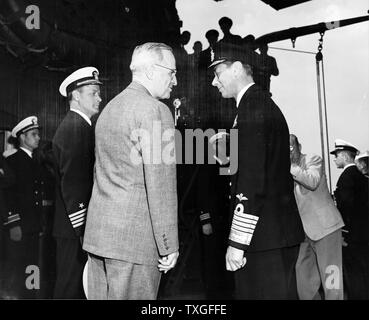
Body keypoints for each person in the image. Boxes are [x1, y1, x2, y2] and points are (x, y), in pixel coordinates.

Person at [83, 42, 179, 300]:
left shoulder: (109, 108)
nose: (175, 80)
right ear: (151, 71)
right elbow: (161, 185)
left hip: (100, 238)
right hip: (135, 244)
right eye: (171, 72)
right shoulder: (156, 111)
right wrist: (168, 243)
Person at [209, 42, 304, 299]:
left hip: (261, 239)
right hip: (274, 234)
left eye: (218, 73)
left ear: (238, 68)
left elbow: (252, 182)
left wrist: (237, 243)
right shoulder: (258, 105)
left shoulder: (251, 110)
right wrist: (226, 156)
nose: (214, 82)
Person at [52, 66, 103, 299]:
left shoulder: (82, 127)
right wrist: (82, 228)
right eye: (93, 92)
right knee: (70, 288)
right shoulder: (74, 129)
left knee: (79, 288)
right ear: (76, 95)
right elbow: (72, 185)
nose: (99, 98)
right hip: (75, 230)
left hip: (75, 228)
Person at [290, 134, 344, 300]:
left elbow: (312, 181)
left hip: (325, 229)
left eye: (291, 146)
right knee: (304, 280)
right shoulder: (283, 171)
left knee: (331, 278)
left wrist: (291, 166)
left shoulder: (313, 160)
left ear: (299, 146)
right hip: (303, 233)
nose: (289, 151)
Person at [2, 116, 44, 299]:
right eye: (34, 134)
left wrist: (40, 224)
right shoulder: (13, 161)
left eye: (38, 134)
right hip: (19, 226)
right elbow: (7, 195)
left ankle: (30, 294)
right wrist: (13, 223)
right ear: (22, 137)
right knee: (16, 266)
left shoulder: (35, 161)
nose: (38, 138)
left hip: (33, 226)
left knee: (32, 265)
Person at [330, 139, 369, 300]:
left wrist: (343, 233)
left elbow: (345, 207)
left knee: (354, 275)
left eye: (337, 155)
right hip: (364, 233)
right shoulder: (362, 178)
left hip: (352, 236)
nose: (335, 159)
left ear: (345, 156)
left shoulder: (346, 177)